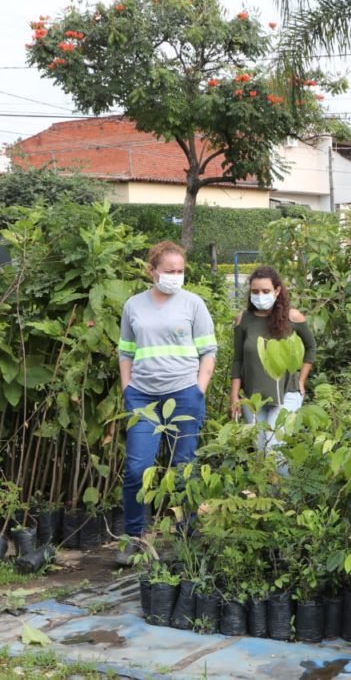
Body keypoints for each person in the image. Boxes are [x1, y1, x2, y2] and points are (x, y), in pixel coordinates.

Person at [116, 241, 217, 566]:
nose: (176, 276)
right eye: (169, 270)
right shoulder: (134, 305)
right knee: (137, 469)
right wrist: (128, 388)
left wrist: (199, 389)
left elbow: (208, 350)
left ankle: (188, 535)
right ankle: (135, 537)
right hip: (142, 397)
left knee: (184, 467)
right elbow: (125, 351)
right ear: (152, 271)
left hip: (184, 393)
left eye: (180, 270)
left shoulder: (193, 304)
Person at [229, 266, 316, 463]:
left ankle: (283, 484)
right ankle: (265, 485)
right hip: (253, 397)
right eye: (255, 291)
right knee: (260, 452)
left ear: (277, 291)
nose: (260, 296)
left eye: (265, 291)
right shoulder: (243, 320)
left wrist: (301, 380)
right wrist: (234, 396)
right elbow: (238, 359)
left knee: (275, 447)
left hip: (286, 392)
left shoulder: (292, 317)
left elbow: (311, 347)